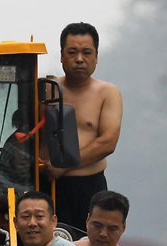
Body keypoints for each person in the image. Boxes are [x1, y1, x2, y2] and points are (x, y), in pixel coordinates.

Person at [43, 23, 123, 235]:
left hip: (89, 187)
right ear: (61, 56)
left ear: (96, 57)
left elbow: (108, 142)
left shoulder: (107, 92)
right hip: (49, 187)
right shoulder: (46, 91)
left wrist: (64, 165)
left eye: (86, 52)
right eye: (72, 52)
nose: (79, 59)